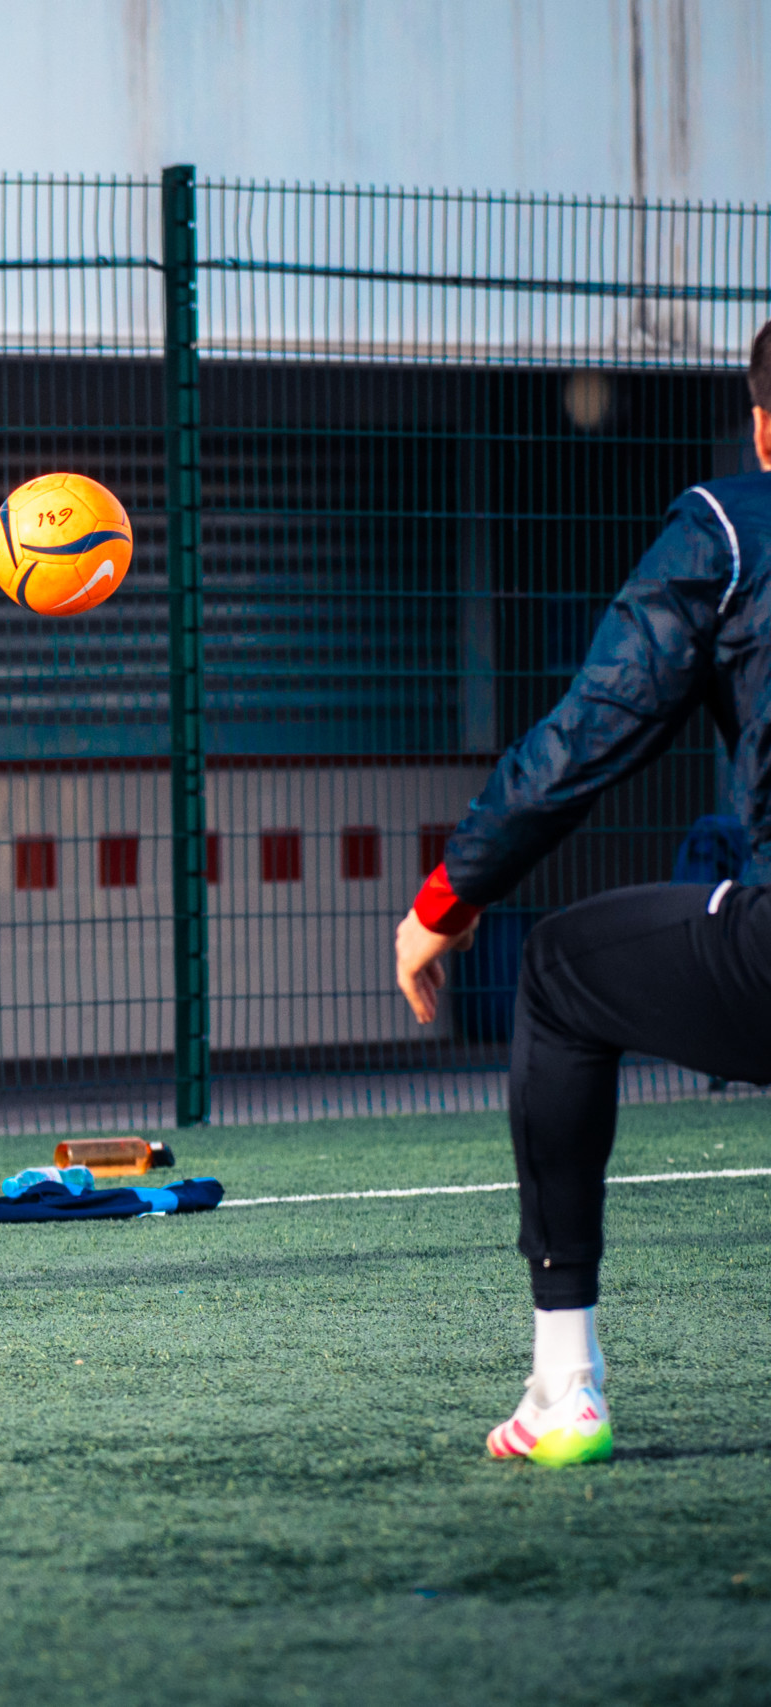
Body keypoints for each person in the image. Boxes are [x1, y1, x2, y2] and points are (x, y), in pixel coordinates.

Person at [395, 320, 771, 1467]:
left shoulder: (726, 528)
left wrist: (441, 903)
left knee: (557, 974)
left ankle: (565, 1386)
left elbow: (580, 745)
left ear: (760, 426)